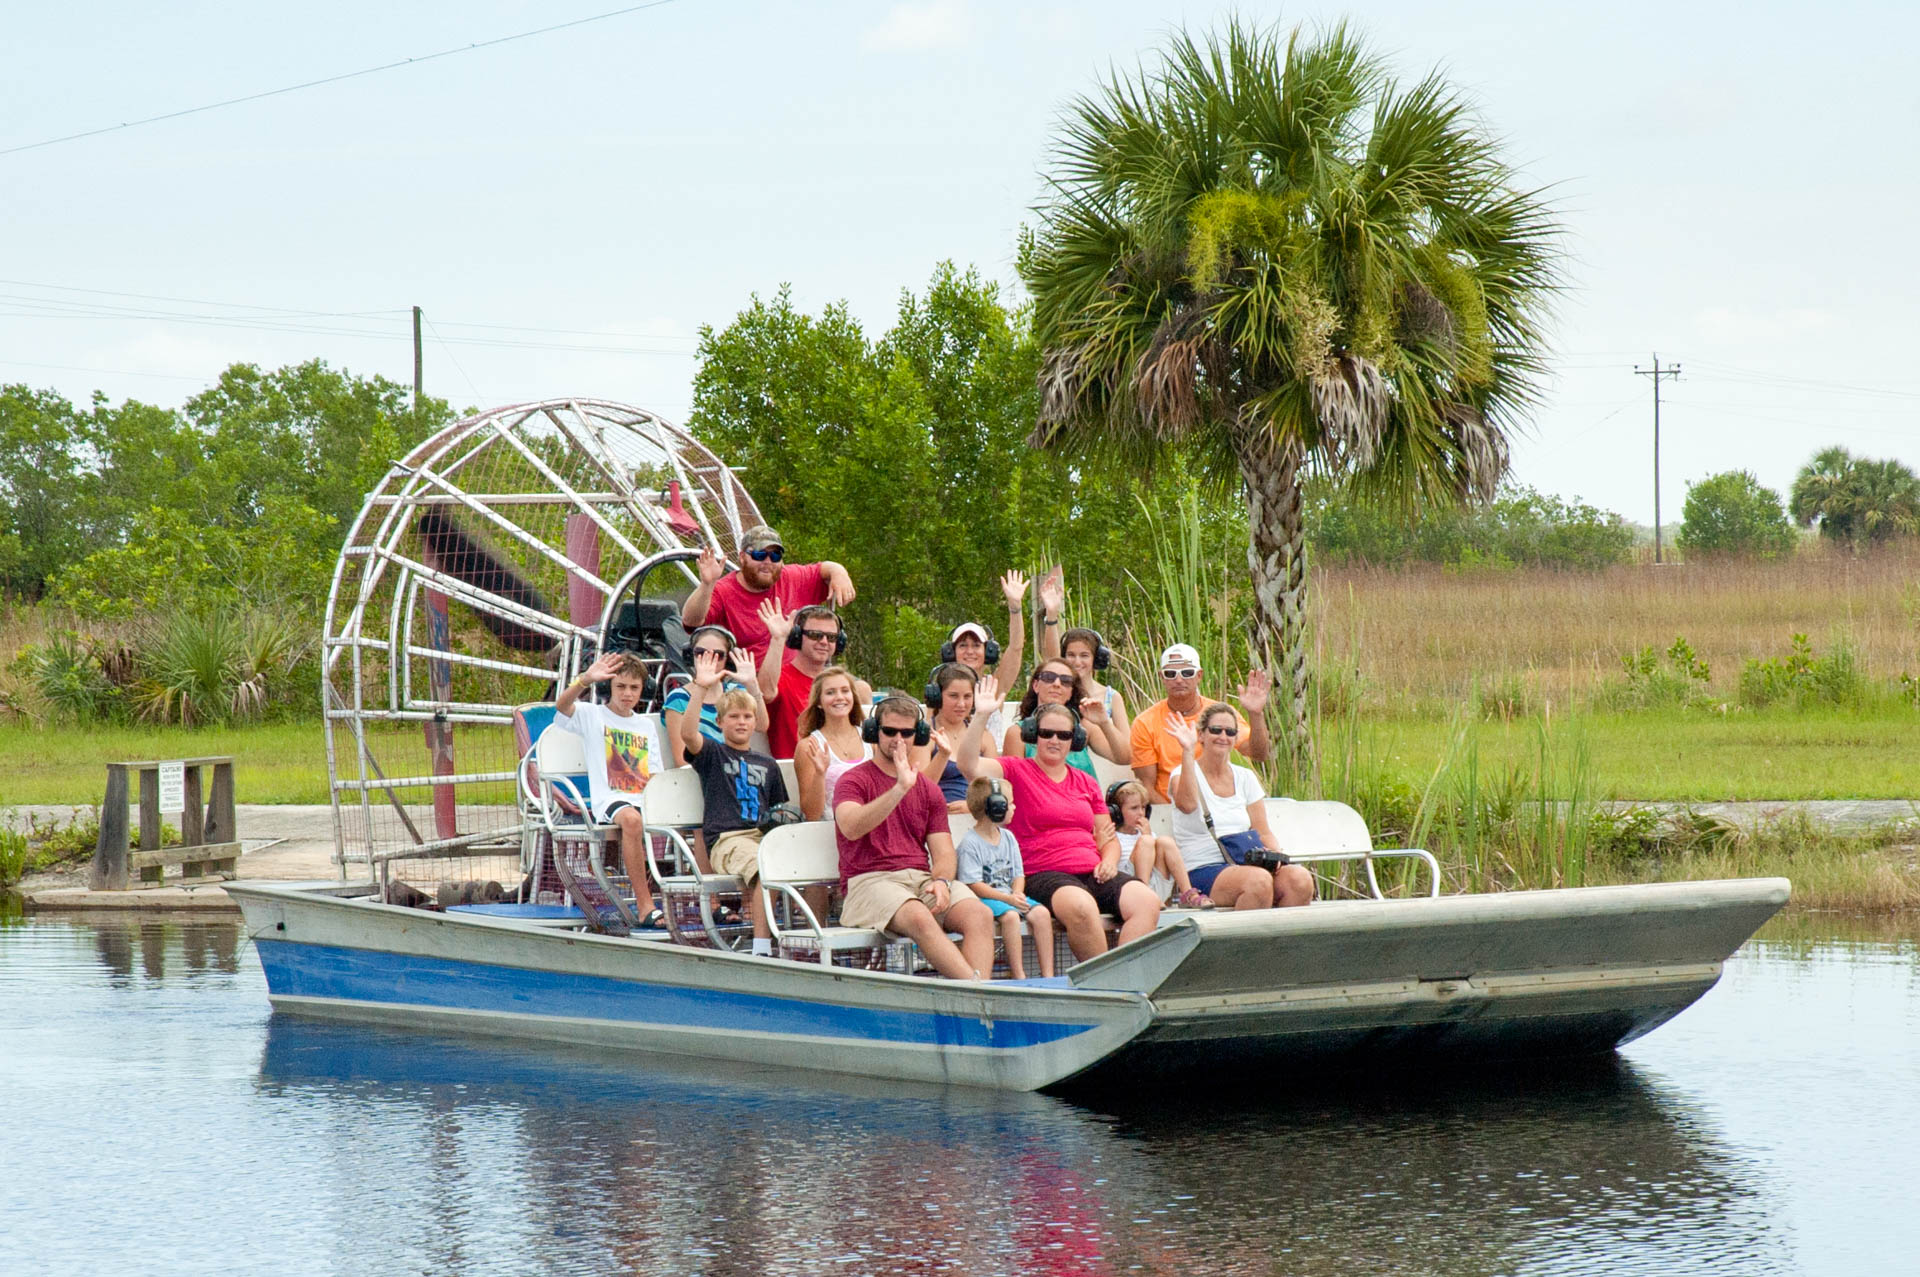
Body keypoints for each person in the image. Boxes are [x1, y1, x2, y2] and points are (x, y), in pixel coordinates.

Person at [956, 675, 1161, 962]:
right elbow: (968, 765)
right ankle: (1104, 988)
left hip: (1092, 870)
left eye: (1064, 735)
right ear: (1033, 735)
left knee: (1147, 902)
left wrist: (1110, 862)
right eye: (1047, 733)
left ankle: (1118, 976)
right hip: (1041, 872)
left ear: (1074, 740)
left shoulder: (1085, 782)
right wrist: (981, 716)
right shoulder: (1016, 770)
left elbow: (1107, 837)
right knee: (1082, 907)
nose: (1055, 740)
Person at [833, 695, 995, 981]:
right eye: (890, 731)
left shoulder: (928, 790)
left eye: (907, 733)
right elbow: (851, 827)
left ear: (917, 736)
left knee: (979, 915)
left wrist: (942, 881)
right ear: (874, 732)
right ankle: (979, 996)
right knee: (919, 915)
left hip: (919, 879)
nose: (899, 739)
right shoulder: (854, 780)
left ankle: (973, 999)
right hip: (868, 882)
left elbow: (944, 852)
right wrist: (898, 789)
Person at [679, 651, 794, 954]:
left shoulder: (767, 764)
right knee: (763, 866)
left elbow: (778, 811)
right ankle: (761, 947)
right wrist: (701, 688)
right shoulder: (714, 754)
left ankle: (794, 938)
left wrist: (753, 685)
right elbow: (688, 733)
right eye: (733, 716)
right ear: (719, 721)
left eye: (747, 717)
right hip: (728, 840)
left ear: (755, 721)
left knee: (792, 860)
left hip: (760, 837)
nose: (741, 722)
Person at [555, 650, 664, 929]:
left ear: (643, 690)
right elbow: (562, 706)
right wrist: (584, 680)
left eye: (634, 688)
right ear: (609, 687)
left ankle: (704, 902)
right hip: (612, 800)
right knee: (631, 820)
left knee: (687, 817)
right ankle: (644, 904)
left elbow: (654, 773)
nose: (627, 694)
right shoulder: (592, 715)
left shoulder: (645, 725)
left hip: (644, 798)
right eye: (621, 686)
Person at [1167, 706, 1315, 909]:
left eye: (1230, 732)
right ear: (1201, 734)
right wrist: (1187, 750)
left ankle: (1280, 940)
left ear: (1236, 738)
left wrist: (1276, 856)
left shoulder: (1245, 777)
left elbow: (1262, 831)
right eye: (1216, 730)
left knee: (1300, 879)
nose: (1223, 736)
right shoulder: (1182, 773)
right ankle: (1244, 941)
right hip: (1203, 867)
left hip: (1245, 861)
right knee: (1258, 882)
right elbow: (1187, 804)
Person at [680, 524, 856, 663]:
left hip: (796, 677)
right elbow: (690, 621)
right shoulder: (724, 591)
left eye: (775, 556)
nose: (767, 561)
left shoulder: (791, 577)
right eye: (759, 554)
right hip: (750, 685)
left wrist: (839, 572)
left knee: (860, 690)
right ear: (742, 557)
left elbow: (825, 568)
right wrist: (707, 584)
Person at [1130, 642, 1272, 802]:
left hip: (1220, 806)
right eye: (1170, 673)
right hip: (1170, 810)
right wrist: (1176, 816)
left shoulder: (1221, 714)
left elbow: (1259, 754)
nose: (1178, 679)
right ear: (1162, 677)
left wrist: (1255, 714)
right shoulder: (1144, 722)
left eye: (1187, 673)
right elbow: (1147, 787)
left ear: (1199, 675)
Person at [955, 775, 1055, 980]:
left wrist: (1017, 892)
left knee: (1042, 914)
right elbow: (974, 885)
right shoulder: (970, 843)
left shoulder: (1008, 837)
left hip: (1010, 896)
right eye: (1009, 803)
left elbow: (1018, 874)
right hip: (986, 898)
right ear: (995, 807)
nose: (1014, 807)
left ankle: (1049, 976)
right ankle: (1019, 975)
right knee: (1010, 917)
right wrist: (1008, 899)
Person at [758, 602, 872, 760]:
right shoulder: (782, 678)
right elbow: (766, 693)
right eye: (815, 635)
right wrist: (778, 639)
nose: (824, 641)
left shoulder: (842, 686)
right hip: (798, 774)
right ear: (797, 637)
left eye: (831, 637)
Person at [1001, 657, 1127, 777]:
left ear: (1071, 692)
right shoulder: (1017, 733)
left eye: (1065, 681)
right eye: (1049, 677)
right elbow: (1014, 783)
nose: (1057, 684)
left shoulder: (1084, 727)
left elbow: (1124, 758)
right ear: (1036, 685)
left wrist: (1104, 722)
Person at [661, 626, 767, 766]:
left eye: (718, 655)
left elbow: (761, 725)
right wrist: (702, 686)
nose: (709, 659)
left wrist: (752, 685)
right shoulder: (678, 698)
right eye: (701, 653)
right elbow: (682, 760)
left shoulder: (736, 691)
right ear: (690, 655)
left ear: (727, 660)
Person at [1107, 779, 1209, 909]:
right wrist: (1146, 839)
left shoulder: (1146, 833)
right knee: (1147, 841)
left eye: (1144, 807)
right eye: (1134, 808)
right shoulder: (1113, 835)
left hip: (1153, 884)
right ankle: (1145, 896)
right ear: (1116, 812)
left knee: (1165, 841)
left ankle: (1188, 894)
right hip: (1129, 888)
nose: (1141, 813)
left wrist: (1147, 835)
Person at [794, 666, 869, 820]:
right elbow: (811, 814)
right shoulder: (808, 746)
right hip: (828, 831)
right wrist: (820, 774)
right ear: (819, 702)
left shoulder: (871, 738)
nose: (839, 697)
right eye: (830, 692)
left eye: (845, 690)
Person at [919, 661, 996, 811]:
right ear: (937, 696)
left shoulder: (984, 737)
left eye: (967, 696)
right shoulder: (925, 736)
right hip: (936, 816)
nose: (961, 704)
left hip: (976, 816)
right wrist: (942, 755)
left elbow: (996, 787)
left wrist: (973, 806)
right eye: (953, 696)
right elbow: (919, 790)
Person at [1046, 623, 1133, 747]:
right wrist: (1051, 618)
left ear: (1096, 659)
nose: (1077, 662)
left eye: (1084, 655)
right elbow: (1050, 658)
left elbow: (1127, 745)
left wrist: (1104, 723)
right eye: (1071, 655)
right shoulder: (1058, 693)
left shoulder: (1112, 697)